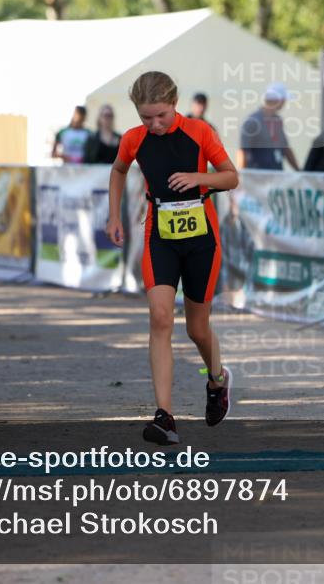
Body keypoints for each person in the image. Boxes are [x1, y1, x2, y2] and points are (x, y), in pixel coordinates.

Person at [105, 71, 239, 445]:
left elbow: (231, 177)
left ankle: (217, 379)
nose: (154, 123)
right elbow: (118, 170)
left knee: (197, 328)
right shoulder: (133, 139)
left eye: (161, 115)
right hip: (159, 235)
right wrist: (114, 215)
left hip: (202, 239)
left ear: (174, 104)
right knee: (160, 317)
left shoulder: (198, 131)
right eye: (146, 117)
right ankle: (164, 416)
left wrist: (201, 178)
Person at [237, 83, 299, 171]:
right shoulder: (252, 121)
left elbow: (285, 149)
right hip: (257, 176)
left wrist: (299, 171)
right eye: (283, 100)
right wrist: (241, 177)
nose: (284, 103)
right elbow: (243, 151)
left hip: (276, 174)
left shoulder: (278, 120)